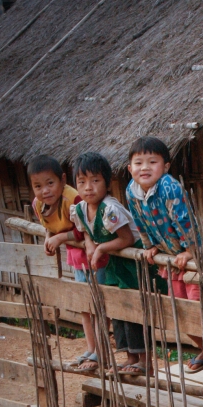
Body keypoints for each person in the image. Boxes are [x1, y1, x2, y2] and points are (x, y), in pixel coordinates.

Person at [126, 136, 203, 373]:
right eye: (138, 163)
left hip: (196, 257)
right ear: (129, 168)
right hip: (172, 260)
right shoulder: (132, 191)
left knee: (200, 307)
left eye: (152, 162)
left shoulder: (168, 186)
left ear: (165, 166)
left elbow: (185, 221)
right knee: (179, 312)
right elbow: (141, 222)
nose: (144, 168)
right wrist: (151, 246)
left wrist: (190, 251)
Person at [70, 152, 165, 375]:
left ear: (107, 182)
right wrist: (91, 243)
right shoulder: (81, 209)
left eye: (95, 181)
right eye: (81, 182)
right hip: (115, 265)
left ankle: (144, 360)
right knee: (118, 309)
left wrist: (101, 247)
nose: (88, 188)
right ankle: (129, 357)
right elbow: (85, 231)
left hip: (134, 264)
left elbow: (127, 239)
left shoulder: (110, 209)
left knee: (135, 309)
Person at [28, 154, 105, 370]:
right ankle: (91, 348)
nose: (45, 191)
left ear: (62, 180)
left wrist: (60, 238)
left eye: (50, 183)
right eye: (38, 186)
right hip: (75, 257)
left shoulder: (74, 199)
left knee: (99, 303)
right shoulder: (39, 204)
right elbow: (49, 225)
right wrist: (47, 238)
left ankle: (101, 350)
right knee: (84, 305)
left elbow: (84, 232)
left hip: (94, 256)